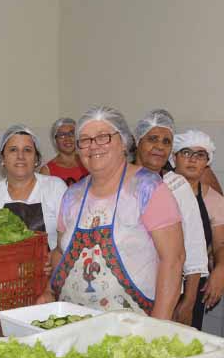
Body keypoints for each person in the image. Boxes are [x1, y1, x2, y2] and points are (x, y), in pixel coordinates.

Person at [42, 106, 184, 319]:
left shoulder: (147, 188)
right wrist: (48, 291)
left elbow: (173, 260)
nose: (93, 146)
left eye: (103, 137)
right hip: (74, 322)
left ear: (124, 143)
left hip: (133, 327)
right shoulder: (72, 196)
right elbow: (61, 252)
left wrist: (158, 325)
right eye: (85, 140)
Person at [133, 109, 208, 324]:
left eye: (166, 142)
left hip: (171, 294)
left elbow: (194, 247)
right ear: (137, 142)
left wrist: (189, 301)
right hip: (128, 292)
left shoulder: (176, 185)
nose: (159, 146)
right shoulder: (120, 183)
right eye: (152, 139)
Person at [0, 124, 67, 250]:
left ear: (36, 159)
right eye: (13, 150)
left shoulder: (54, 188)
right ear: (3, 158)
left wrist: (52, 260)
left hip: (49, 268)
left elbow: (69, 237)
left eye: (27, 150)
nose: (20, 156)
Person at [171, 130, 224, 328]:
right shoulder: (159, 189)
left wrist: (220, 270)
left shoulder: (214, 200)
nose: (192, 160)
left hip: (196, 283)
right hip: (159, 279)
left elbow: (220, 243)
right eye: (186, 153)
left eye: (200, 155)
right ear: (174, 157)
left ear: (207, 162)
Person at [40, 117, 88, 186]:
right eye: (61, 135)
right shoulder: (47, 171)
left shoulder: (88, 162)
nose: (67, 139)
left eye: (71, 134)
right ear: (55, 140)